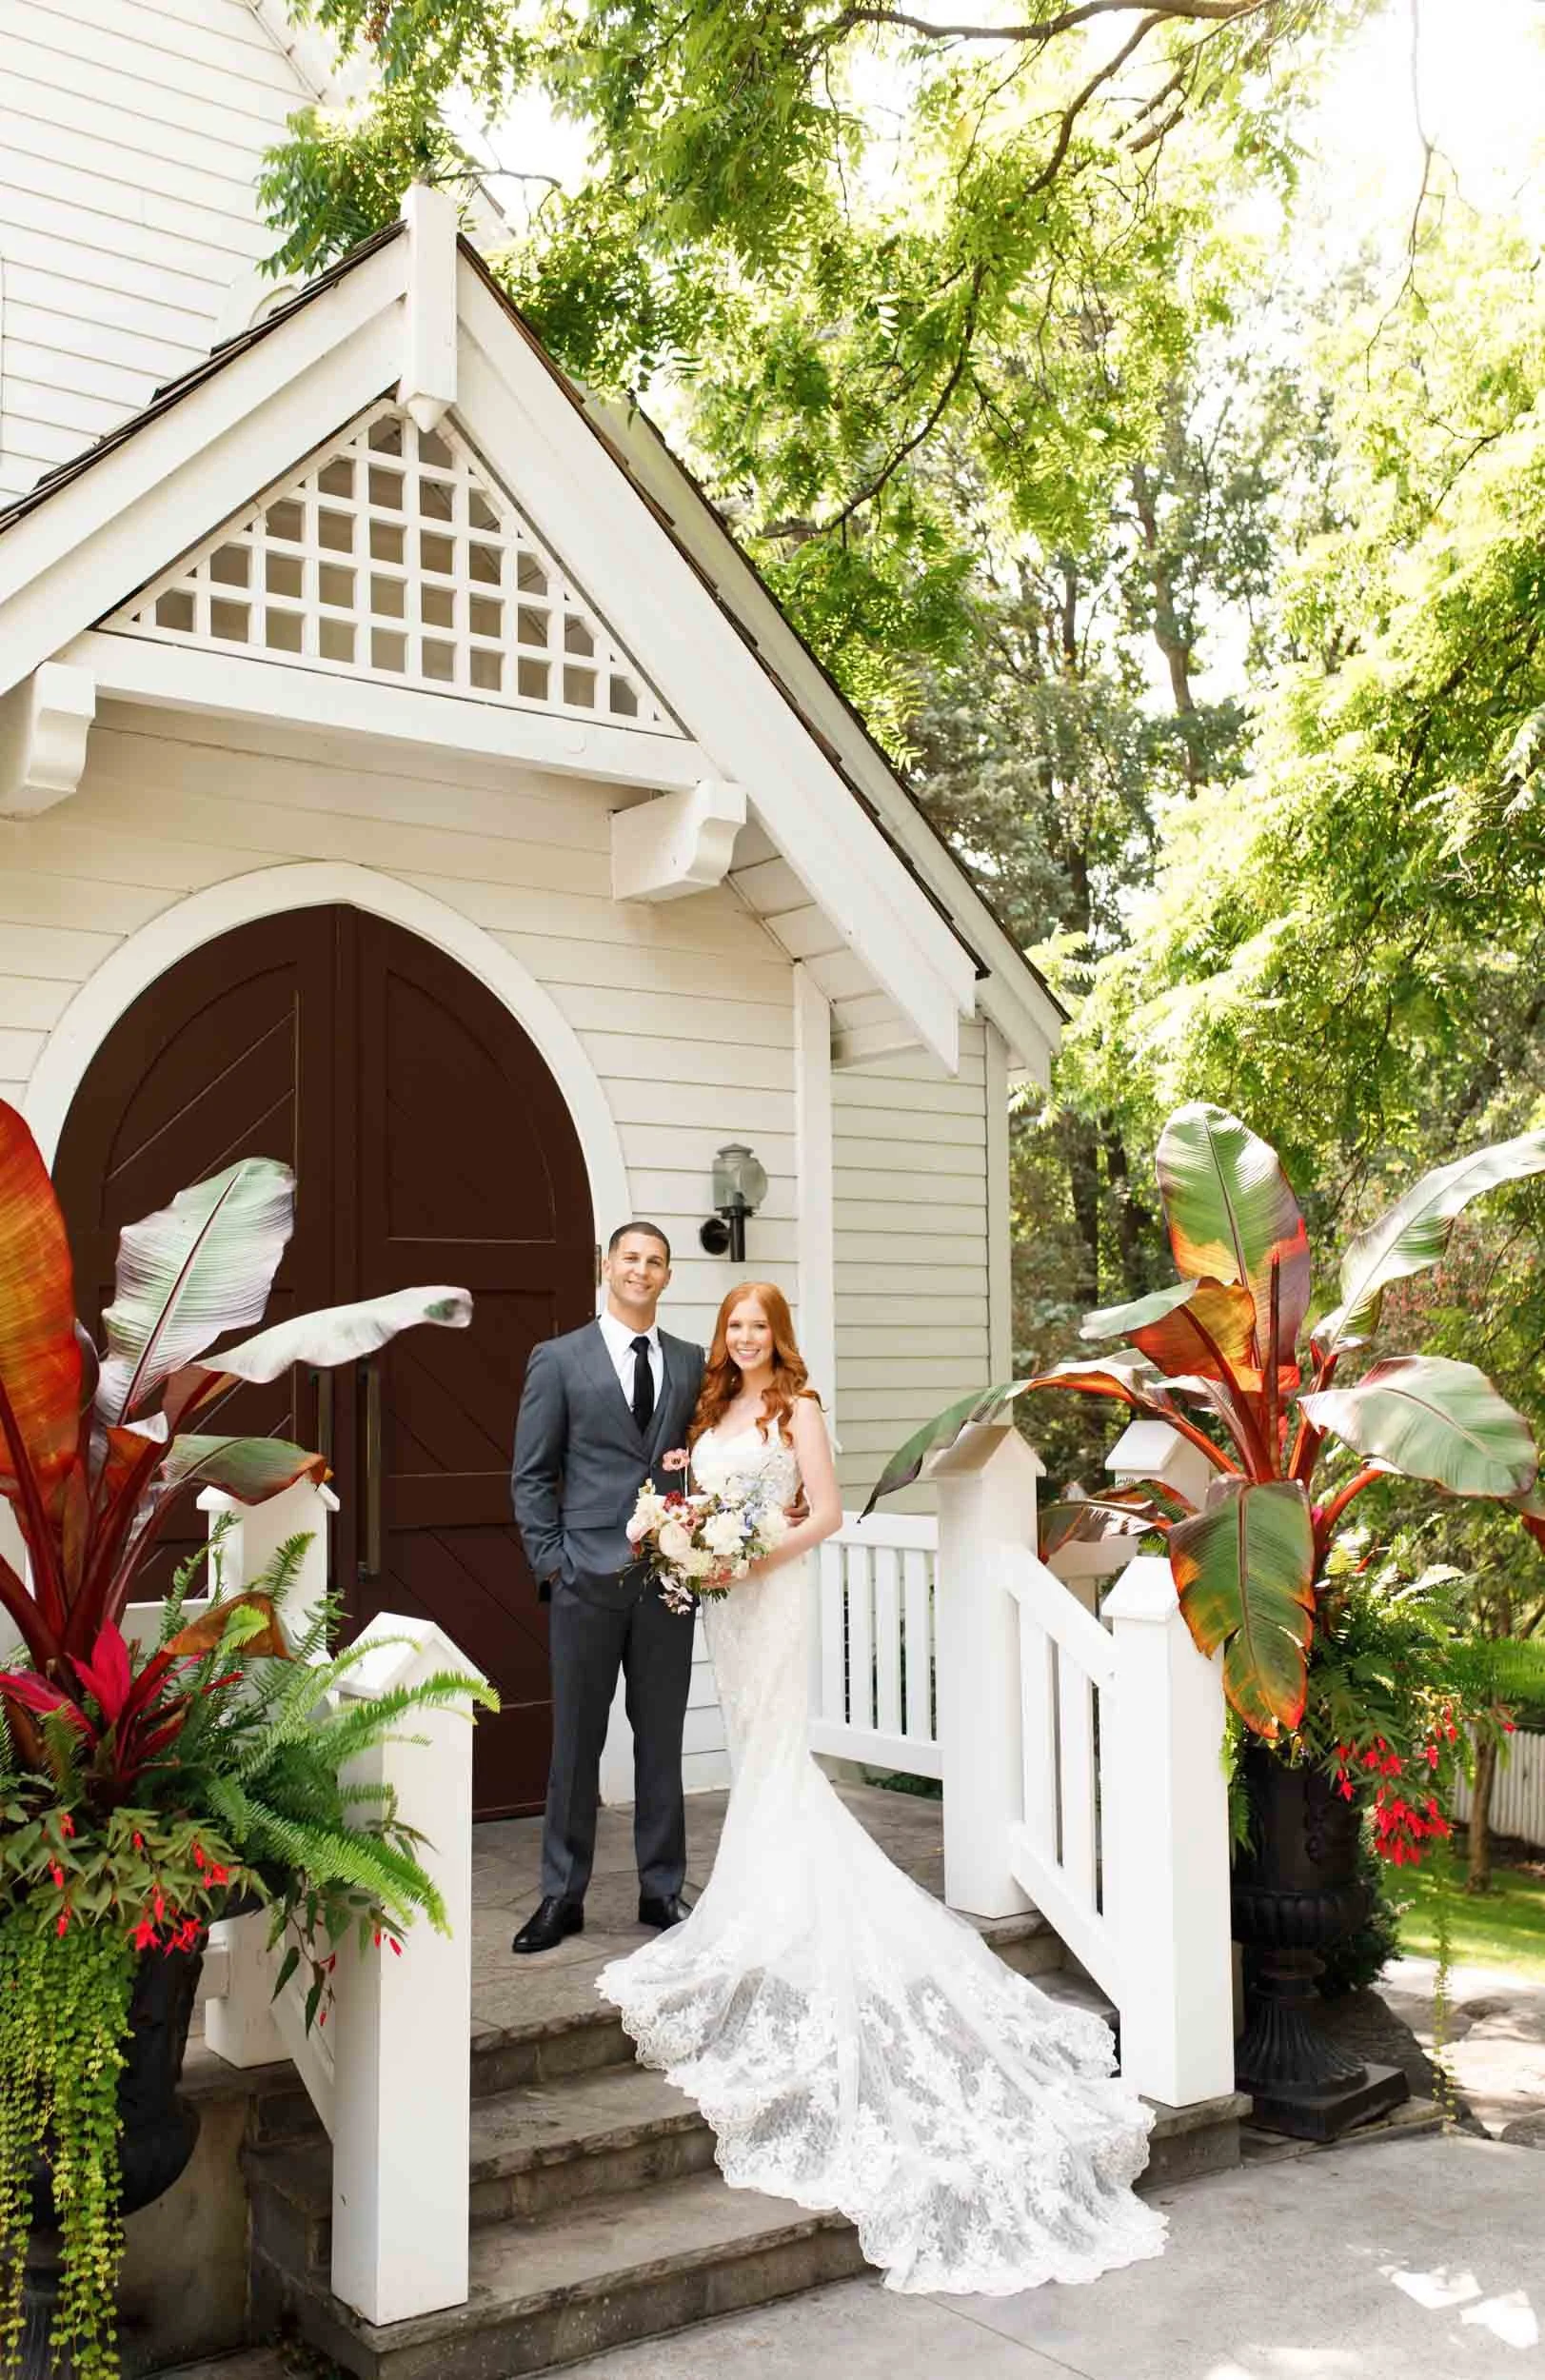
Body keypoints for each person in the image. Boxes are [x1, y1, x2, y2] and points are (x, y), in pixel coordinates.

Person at [598, 1281, 1166, 2295]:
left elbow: (821, 1514)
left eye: (758, 1327)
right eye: (733, 1327)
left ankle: (774, 1906)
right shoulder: (713, 1412)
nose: (744, 1339)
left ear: (780, 1336)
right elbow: (694, 1499)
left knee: (776, 1752)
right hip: (726, 1604)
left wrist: (748, 1553)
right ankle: (760, 1896)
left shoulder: (796, 1411)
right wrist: (689, 1543)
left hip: (772, 1592)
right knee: (751, 1747)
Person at [508, 1221, 704, 1955]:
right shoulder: (557, 1360)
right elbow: (531, 1473)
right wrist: (552, 1563)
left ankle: (661, 1891)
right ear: (606, 1266)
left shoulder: (690, 1362)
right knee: (576, 1745)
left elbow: (702, 1460)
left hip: (667, 1582)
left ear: (667, 1276)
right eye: (630, 1258)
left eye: (654, 1262)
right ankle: (560, 1896)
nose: (641, 1271)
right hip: (582, 1580)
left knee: (662, 1742)